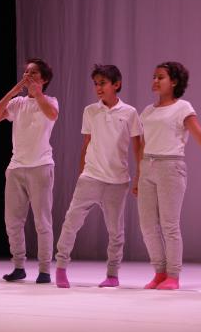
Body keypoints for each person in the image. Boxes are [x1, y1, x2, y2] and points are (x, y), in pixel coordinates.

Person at [138, 61, 201, 290]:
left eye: (161, 77)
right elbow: (142, 144)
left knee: (169, 224)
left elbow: (200, 135)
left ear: (174, 82)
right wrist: (138, 174)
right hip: (148, 166)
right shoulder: (147, 111)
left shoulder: (183, 107)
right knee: (147, 224)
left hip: (170, 167)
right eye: (154, 76)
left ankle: (173, 275)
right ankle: (159, 271)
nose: (155, 81)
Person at [55, 65, 142, 288]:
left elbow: (137, 148)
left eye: (102, 83)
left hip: (117, 181)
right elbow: (86, 144)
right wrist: (82, 171)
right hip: (91, 177)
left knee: (115, 231)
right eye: (95, 84)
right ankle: (61, 267)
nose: (98, 88)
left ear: (116, 84)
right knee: (71, 222)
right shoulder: (90, 111)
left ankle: (113, 274)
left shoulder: (130, 112)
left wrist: (139, 177)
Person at [0, 58, 58, 284]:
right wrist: (14, 90)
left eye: (35, 73)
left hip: (41, 165)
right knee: (13, 221)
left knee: (42, 221)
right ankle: (18, 265)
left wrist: (37, 93)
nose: (29, 76)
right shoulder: (17, 103)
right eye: (27, 73)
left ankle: (45, 269)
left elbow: (52, 115)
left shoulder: (50, 100)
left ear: (44, 79)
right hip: (16, 167)